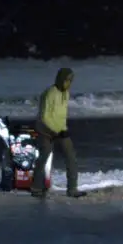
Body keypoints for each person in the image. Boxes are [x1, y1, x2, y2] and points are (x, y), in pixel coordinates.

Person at [31, 66, 86, 198]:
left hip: (60, 130)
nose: (68, 83)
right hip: (45, 129)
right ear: (61, 79)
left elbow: (61, 115)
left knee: (71, 157)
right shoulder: (50, 93)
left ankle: (72, 189)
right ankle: (36, 188)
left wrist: (63, 129)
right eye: (67, 80)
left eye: (71, 81)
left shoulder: (66, 93)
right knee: (44, 156)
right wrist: (55, 131)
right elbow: (45, 116)